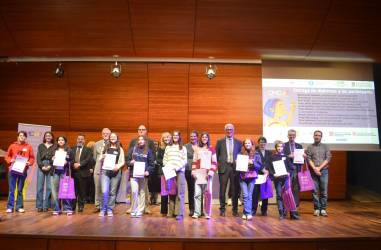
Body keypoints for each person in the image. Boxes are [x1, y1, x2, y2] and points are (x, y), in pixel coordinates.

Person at [127, 125, 156, 213]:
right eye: (139, 129)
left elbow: (152, 156)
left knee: (144, 191)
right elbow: (128, 157)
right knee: (134, 191)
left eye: (143, 129)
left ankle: (144, 207)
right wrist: (130, 164)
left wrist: (148, 170)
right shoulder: (133, 142)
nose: (141, 131)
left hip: (144, 171)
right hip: (134, 171)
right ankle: (133, 207)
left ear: (146, 131)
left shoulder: (150, 142)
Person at [268, 141, 299, 220]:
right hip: (277, 179)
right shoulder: (272, 157)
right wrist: (273, 174)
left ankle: (287, 211)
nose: (279, 148)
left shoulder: (286, 156)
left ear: (283, 148)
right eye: (278, 146)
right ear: (276, 147)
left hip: (285, 179)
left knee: (287, 195)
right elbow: (270, 168)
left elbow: (290, 167)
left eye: (281, 147)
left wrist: (289, 172)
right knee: (279, 195)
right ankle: (281, 213)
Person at [5, 131, 35, 213]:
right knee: (11, 189)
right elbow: (7, 156)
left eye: (24, 136)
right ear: (18, 137)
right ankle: (10, 207)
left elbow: (32, 158)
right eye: (20, 135)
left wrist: (29, 162)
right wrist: (11, 160)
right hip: (13, 170)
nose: (22, 137)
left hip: (23, 170)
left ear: (25, 137)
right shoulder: (12, 145)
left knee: (20, 189)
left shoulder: (29, 147)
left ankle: (19, 207)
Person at [216, 123, 242, 217]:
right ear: (225, 130)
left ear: (233, 130)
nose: (229, 131)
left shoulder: (238, 142)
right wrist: (218, 166)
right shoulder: (220, 142)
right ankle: (222, 209)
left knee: (235, 190)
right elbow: (216, 155)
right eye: (227, 129)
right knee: (222, 190)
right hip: (224, 168)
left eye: (230, 129)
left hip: (235, 168)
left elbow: (240, 155)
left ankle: (235, 210)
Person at [191, 132, 217, 219]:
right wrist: (193, 171)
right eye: (203, 137)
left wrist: (210, 173)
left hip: (208, 174)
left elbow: (214, 162)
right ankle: (197, 212)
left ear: (208, 138)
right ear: (200, 138)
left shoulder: (211, 149)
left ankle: (207, 213)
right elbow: (194, 161)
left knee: (208, 194)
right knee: (197, 194)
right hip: (198, 174)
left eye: (206, 137)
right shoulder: (197, 149)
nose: (204, 138)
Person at [99, 132, 125, 217]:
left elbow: (122, 161)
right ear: (109, 138)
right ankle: (103, 209)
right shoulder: (105, 147)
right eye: (111, 136)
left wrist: (117, 166)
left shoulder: (120, 149)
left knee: (112, 192)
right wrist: (102, 157)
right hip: (105, 172)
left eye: (114, 136)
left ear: (117, 138)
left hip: (115, 172)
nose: (113, 138)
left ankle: (109, 209)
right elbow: (99, 159)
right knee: (104, 191)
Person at [306, 130, 332, 217]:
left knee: (324, 191)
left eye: (319, 135)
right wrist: (314, 169)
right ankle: (317, 209)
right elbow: (308, 159)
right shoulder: (309, 147)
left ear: (321, 137)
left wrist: (319, 168)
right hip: (313, 172)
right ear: (313, 136)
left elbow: (328, 158)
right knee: (314, 191)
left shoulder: (326, 147)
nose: (317, 137)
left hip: (324, 171)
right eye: (316, 135)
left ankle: (323, 209)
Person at [163, 130, 187, 220]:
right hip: (170, 172)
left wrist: (176, 168)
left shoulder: (183, 148)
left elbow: (184, 161)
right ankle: (171, 212)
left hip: (180, 171)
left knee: (180, 193)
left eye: (177, 135)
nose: (175, 137)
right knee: (171, 192)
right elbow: (165, 160)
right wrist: (167, 167)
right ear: (172, 137)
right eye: (174, 135)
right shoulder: (168, 147)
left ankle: (179, 213)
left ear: (179, 137)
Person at [50, 136, 73, 215]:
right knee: (55, 190)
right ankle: (56, 208)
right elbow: (50, 160)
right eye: (59, 140)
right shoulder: (53, 150)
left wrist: (67, 161)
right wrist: (52, 159)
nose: (60, 141)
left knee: (65, 189)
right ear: (57, 141)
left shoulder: (69, 150)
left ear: (65, 141)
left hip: (64, 171)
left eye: (62, 140)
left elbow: (71, 160)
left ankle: (67, 209)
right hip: (55, 171)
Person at [70, 133, 93, 213]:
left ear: (84, 140)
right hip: (73, 173)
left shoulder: (88, 150)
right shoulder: (72, 149)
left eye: (82, 139)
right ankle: (72, 207)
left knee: (82, 192)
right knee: (73, 191)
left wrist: (79, 164)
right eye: (78, 139)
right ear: (76, 140)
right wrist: (74, 164)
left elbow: (87, 159)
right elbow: (70, 159)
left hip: (83, 173)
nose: (80, 140)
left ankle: (80, 206)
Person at [238, 139, 261, 220]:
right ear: (244, 145)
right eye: (246, 143)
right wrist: (237, 162)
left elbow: (259, 166)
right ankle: (248, 213)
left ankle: (246, 213)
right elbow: (237, 166)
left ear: (252, 144)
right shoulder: (240, 153)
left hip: (252, 177)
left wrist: (252, 163)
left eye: (249, 143)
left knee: (249, 195)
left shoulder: (256, 153)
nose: (247, 144)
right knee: (245, 195)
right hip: (242, 177)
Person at [283, 129, 304, 210]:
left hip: (296, 170)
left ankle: (295, 206)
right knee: (287, 188)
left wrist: (301, 170)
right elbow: (281, 157)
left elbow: (301, 160)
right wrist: (288, 156)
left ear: (295, 136)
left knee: (296, 188)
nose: (291, 136)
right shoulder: (284, 145)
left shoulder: (299, 146)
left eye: (293, 135)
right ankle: (286, 205)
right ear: (287, 136)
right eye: (290, 135)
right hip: (287, 170)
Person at [93, 128, 111, 212]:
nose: (105, 134)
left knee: (107, 189)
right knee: (97, 188)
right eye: (104, 133)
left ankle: (106, 206)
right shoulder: (96, 144)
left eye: (107, 133)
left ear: (110, 134)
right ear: (101, 134)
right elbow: (94, 157)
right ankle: (98, 205)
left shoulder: (113, 143)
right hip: (98, 169)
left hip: (108, 169)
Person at [36, 131, 54, 212]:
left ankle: (46, 205)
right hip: (42, 166)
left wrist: (50, 165)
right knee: (40, 187)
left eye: (50, 136)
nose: (48, 137)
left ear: (52, 137)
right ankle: (39, 206)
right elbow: (38, 157)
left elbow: (55, 157)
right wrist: (42, 166)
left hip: (50, 165)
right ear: (44, 137)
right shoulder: (41, 146)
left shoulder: (55, 146)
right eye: (46, 136)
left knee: (49, 187)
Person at [252, 136, 271, 216]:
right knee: (255, 194)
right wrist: (262, 170)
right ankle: (253, 210)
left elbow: (271, 163)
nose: (262, 144)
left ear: (266, 143)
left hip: (266, 175)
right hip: (257, 175)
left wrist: (268, 172)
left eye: (264, 142)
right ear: (258, 143)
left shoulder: (269, 153)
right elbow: (255, 163)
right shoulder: (255, 152)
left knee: (265, 194)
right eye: (261, 142)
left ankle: (264, 210)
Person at [157, 132, 172, 216]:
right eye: (164, 138)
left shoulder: (173, 147)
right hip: (163, 172)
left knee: (172, 191)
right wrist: (166, 163)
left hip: (172, 171)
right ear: (162, 139)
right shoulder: (160, 148)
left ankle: (172, 211)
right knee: (164, 192)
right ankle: (164, 212)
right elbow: (158, 160)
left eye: (168, 137)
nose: (166, 139)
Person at [184, 130, 197, 216]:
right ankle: (192, 209)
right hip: (188, 170)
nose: (192, 137)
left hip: (199, 171)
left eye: (194, 136)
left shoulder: (200, 145)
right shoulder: (186, 146)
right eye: (191, 136)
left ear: (197, 137)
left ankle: (199, 209)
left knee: (199, 190)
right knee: (191, 190)